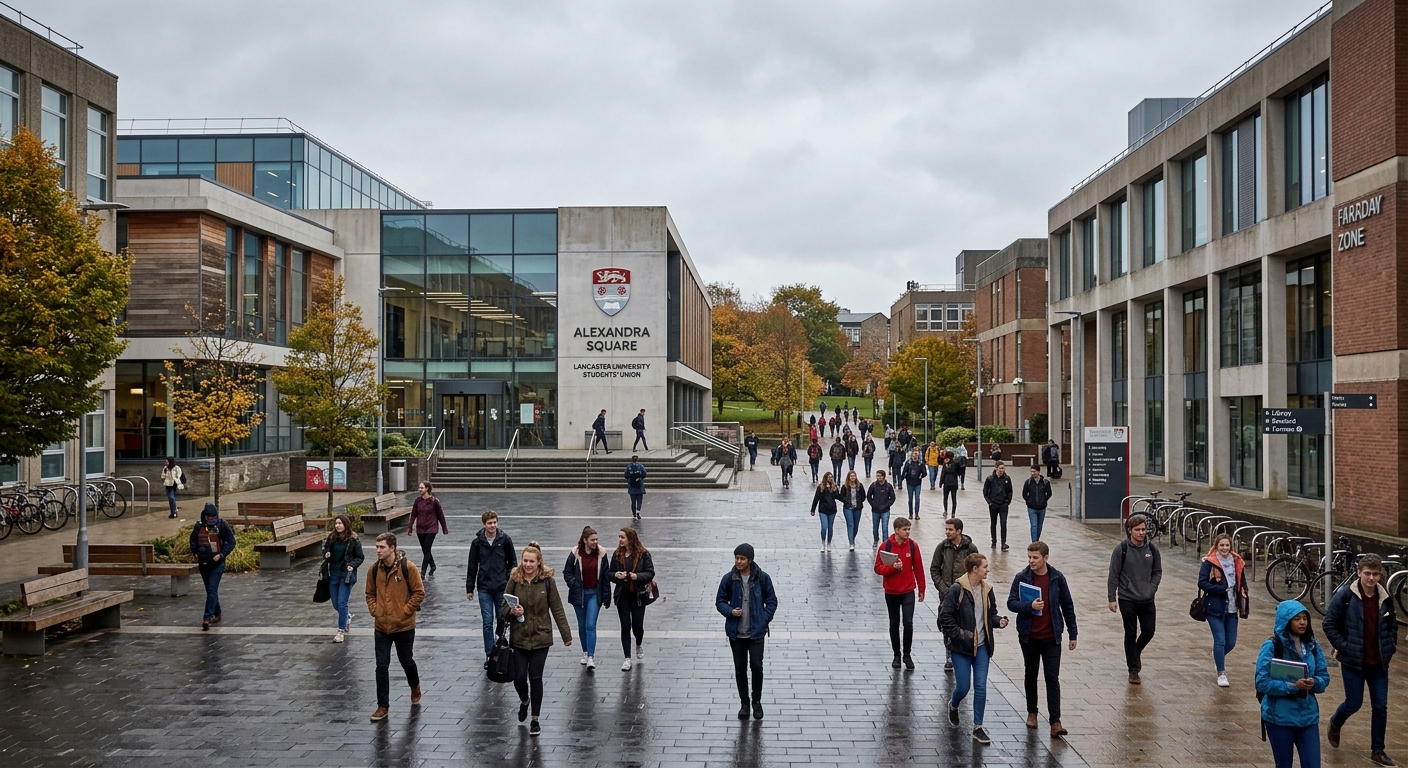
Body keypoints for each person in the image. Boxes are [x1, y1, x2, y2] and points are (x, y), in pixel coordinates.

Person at [1323, 552, 1398, 766]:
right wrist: (1345, 647)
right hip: (1353, 662)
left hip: (1379, 662)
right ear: (1359, 573)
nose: (1371, 578)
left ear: (1380, 575)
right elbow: (1329, 623)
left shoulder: (1385, 597)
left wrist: (1390, 646)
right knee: (1354, 703)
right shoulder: (1346, 595)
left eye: (1375, 574)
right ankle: (1336, 722)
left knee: (1380, 706)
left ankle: (1377, 750)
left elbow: (1392, 625)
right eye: (1367, 574)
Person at [1007, 541, 1078, 738]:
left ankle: (1055, 721)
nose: (1031, 561)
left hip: (1051, 637)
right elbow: (1011, 603)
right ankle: (1032, 712)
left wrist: (1073, 633)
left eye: (1035, 557)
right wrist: (1029, 605)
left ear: (1045, 558)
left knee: (1052, 678)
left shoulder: (1056, 577)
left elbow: (1067, 605)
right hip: (1029, 637)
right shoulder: (1022, 577)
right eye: (1029, 557)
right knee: (1031, 674)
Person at [939, 552, 1009, 745]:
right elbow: (945, 618)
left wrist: (998, 621)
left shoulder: (987, 590)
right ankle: (953, 705)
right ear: (975, 569)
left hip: (982, 646)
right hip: (961, 647)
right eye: (985, 566)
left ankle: (978, 727)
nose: (988, 569)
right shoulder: (957, 589)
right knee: (963, 687)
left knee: (980, 687)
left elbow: (991, 614)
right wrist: (962, 634)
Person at [504, 541, 573, 736]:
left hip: (541, 636)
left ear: (539, 562)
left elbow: (557, 609)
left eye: (531, 561)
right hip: (519, 637)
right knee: (519, 678)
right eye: (525, 561)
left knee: (535, 677)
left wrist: (566, 635)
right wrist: (512, 610)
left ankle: (535, 718)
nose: (527, 564)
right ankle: (525, 700)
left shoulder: (547, 581)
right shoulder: (515, 580)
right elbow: (503, 607)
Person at [1258, 600, 1330, 768]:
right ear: (1286, 621)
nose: (1302, 622)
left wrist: (1314, 683)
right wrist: (1292, 686)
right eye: (1297, 618)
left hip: (1308, 717)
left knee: (1312, 764)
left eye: (1305, 618)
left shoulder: (1312, 645)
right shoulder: (1271, 646)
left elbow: (1324, 677)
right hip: (1279, 718)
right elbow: (1262, 682)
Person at [366, 532, 426, 722]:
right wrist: (375, 610)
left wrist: (405, 611)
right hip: (382, 626)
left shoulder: (408, 568)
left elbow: (419, 592)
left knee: (406, 660)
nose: (378, 550)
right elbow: (369, 593)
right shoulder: (374, 570)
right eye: (377, 547)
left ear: (392, 548)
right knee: (381, 665)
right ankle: (383, 705)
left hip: (404, 626)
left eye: (381, 547)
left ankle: (414, 685)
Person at [718, 543, 779, 720]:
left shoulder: (762, 578)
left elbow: (772, 601)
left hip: (756, 633)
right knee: (740, 669)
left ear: (750, 560)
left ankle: (756, 702)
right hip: (736, 633)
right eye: (736, 558)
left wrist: (763, 618)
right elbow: (720, 601)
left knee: (757, 667)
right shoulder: (729, 579)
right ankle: (744, 703)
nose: (738, 561)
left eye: (742, 558)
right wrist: (730, 612)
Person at [1107, 513, 1162, 685]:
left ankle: (1135, 652)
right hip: (1127, 598)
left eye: (1143, 530)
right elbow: (1113, 574)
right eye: (1137, 530)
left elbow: (1157, 571)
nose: (1141, 533)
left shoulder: (1152, 550)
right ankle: (1132, 670)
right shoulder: (1121, 550)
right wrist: (1112, 598)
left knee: (1149, 631)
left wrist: (1151, 588)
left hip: (1147, 599)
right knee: (1130, 632)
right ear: (1129, 530)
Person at [1198, 533, 1249, 687]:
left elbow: (1242, 581)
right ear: (1216, 546)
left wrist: (1244, 594)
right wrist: (1220, 588)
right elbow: (1201, 582)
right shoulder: (1210, 562)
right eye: (1222, 545)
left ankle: (1218, 658)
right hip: (1214, 607)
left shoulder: (1237, 561)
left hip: (1233, 607)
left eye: (1227, 545)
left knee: (1231, 642)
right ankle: (1221, 673)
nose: (1225, 548)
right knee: (1220, 640)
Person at [875, 516, 926, 669]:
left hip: (908, 590)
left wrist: (921, 588)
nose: (908, 532)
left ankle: (907, 654)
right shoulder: (886, 546)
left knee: (908, 623)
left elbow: (918, 567)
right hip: (891, 591)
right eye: (905, 529)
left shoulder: (913, 546)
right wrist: (892, 568)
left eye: (909, 529)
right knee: (894, 623)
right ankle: (896, 654)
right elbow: (878, 568)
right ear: (896, 530)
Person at [466, 510, 517, 661]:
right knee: (487, 621)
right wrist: (470, 588)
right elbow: (472, 566)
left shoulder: (505, 539)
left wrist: (509, 580)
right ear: (484, 524)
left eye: (495, 522)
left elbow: (513, 562)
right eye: (490, 523)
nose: (493, 525)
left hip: (502, 586)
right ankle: (490, 654)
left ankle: (500, 643)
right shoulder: (477, 543)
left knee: (502, 618)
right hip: (484, 587)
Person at [931, 518, 979, 672]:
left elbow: (976, 570)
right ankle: (949, 655)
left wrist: (969, 588)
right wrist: (943, 587)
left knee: (965, 623)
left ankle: (965, 652)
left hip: (965, 594)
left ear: (959, 531)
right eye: (946, 529)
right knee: (947, 624)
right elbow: (934, 569)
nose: (947, 532)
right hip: (946, 595)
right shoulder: (942, 547)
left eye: (950, 529)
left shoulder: (970, 548)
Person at [563, 526, 612, 670]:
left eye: (596, 539)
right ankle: (585, 652)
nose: (595, 542)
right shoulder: (576, 553)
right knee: (582, 626)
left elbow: (605, 576)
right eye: (592, 540)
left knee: (590, 625)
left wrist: (606, 597)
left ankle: (591, 656)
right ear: (585, 540)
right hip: (579, 593)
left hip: (594, 594)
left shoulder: (602, 554)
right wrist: (573, 583)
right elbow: (567, 572)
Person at [609, 527, 656, 671]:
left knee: (637, 627)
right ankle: (627, 658)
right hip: (622, 595)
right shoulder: (617, 554)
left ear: (630, 539)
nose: (620, 540)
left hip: (638, 596)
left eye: (622, 537)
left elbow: (650, 573)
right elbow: (609, 573)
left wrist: (637, 577)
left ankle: (639, 644)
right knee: (625, 626)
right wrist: (616, 575)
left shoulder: (643, 554)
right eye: (619, 537)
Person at [190, 502, 235, 631]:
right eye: (208, 517)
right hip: (203, 563)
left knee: (211, 589)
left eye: (212, 517)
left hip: (217, 564)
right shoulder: (199, 526)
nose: (210, 519)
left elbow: (231, 542)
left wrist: (221, 555)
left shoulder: (222, 525)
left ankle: (207, 618)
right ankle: (218, 613)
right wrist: (195, 552)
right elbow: (193, 540)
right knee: (211, 591)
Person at [321, 513, 365, 643]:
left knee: (342, 602)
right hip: (333, 574)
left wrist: (352, 565)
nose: (337, 526)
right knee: (336, 604)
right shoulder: (332, 537)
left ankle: (341, 631)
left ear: (346, 525)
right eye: (336, 523)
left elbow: (360, 557)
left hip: (346, 575)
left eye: (340, 523)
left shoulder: (353, 539)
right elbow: (325, 551)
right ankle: (347, 617)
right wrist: (326, 554)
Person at [406, 482, 448, 576]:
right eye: (419, 488)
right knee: (425, 550)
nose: (420, 489)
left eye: (422, 488)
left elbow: (440, 515)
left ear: (427, 488)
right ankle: (433, 565)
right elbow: (413, 515)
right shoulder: (417, 501)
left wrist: (444, 528)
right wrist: (410, 527)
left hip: (431, 528)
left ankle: (423, 572)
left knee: (426, 548)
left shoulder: (434, 501)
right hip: (420, 529)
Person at [980, 461, 1012, 550]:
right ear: (996, 468)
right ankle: (994, 541)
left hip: (1003, 505)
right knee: (993, 523)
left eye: (1003, 468)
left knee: (1003, 522)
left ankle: (1003, 543)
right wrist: (989, 502)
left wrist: (1007, 502)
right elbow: (985, 491)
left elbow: (1010, 491)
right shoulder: (990, 479)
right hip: (993, 504)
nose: (1002, 470)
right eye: (1000, 468)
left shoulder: (1007, 479)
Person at [810, 471, 840, 552]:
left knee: (830, 527)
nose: (830, 479)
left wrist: (836, 490)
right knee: (824, 527)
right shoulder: (821, 487)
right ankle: (823, 542)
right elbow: (816, 498)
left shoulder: (834, 487)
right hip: (823, 509)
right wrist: (813, 509)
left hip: (832, 510)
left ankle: (829, 543)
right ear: (825, 478)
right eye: (829, 477)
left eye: (831, 477)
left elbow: (837, 496)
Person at [1021, 466, 1052, 543]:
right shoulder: (1028, 482)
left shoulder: (1045, 482)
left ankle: (1037, 540)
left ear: (1038, 472)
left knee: (1039, 526)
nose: (1032, 473)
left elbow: (1049, 493)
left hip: (1042, 507)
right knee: (1034, 525)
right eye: (1031, 471)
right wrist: (1028, 501)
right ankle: (1034, 542)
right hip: (1032, 507)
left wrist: (1044, 500)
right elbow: (1024, 493)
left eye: (1034, 471)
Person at [866, 470, 897, 546]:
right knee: (875, 528)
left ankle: (885, 543)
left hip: (885, 510)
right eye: (877, 476)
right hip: (875, 510)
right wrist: (873, 504)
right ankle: (876, 539)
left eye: (880, 476)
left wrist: (887, 505)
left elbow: (892, 498)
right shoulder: (873, 485)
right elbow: (869, 496)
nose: (878, 477)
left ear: (884, 476)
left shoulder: (888, 486)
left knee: (885, 528)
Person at [839, 471, 866, 552]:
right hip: (848, 508)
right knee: (850, 524)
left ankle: (853, 537)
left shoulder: (859, 486)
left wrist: (859, 501)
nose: (853, 477)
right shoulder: (845, 486)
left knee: (856, 525)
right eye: (851, 476)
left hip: (857, 508)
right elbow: (841, 496)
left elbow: (863, 496)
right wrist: (846, 501)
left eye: (854, 476)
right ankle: (851, 542)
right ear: (848, 477)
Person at [900, 449, 926, 519]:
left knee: (917, 499)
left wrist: (921, 475)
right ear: (911, 455)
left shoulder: (920, 463)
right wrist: (901, 480)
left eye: (916, 454)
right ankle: (910, 513)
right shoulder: (908, 463)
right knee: (910, 499)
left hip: (917, 483)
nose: (915, 456)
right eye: (914, 454)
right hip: (909, 483)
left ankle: (916, 513)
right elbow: (904, 471)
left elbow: (925, 472)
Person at [624, 455, 647, 520]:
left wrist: (630, 479)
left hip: (632, 486)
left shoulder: (629, 467)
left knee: (633, 501)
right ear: (637, 460)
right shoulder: (640, 466)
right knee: (639, 500)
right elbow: (644, 474)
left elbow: (625, 475)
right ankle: (638, 511)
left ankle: (634, 513)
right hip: (639, 486)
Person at [939, 452, 961, 519]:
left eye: (947, 458)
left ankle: (953, 512)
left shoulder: (955, 464)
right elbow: (943, 473)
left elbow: (959, 472)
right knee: (945, 497)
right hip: (946, 483)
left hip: (953, 483)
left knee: (953, 498)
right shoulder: (945, 464)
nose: (945, 460)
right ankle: (945, 510)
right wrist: (941, 482)